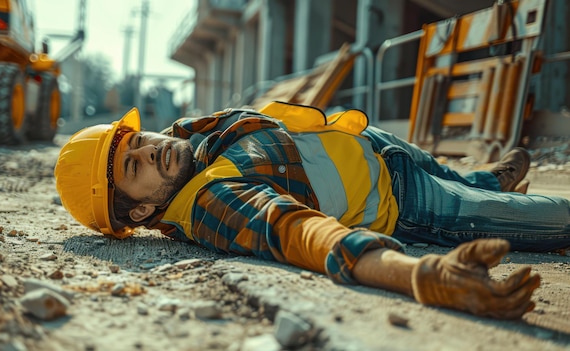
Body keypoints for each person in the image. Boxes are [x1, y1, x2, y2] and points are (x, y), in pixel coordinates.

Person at [54, 101, 570, 320]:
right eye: (132, 167)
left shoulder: (186, 134)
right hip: (405, 202)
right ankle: (493, 196)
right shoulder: (213, 202)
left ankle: (483, 178)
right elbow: (301, 234)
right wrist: (417, 276)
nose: (148, 149)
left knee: (456, 173)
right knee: (555, 220)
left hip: (370, 143)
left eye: (135, 140)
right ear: (141, 213)